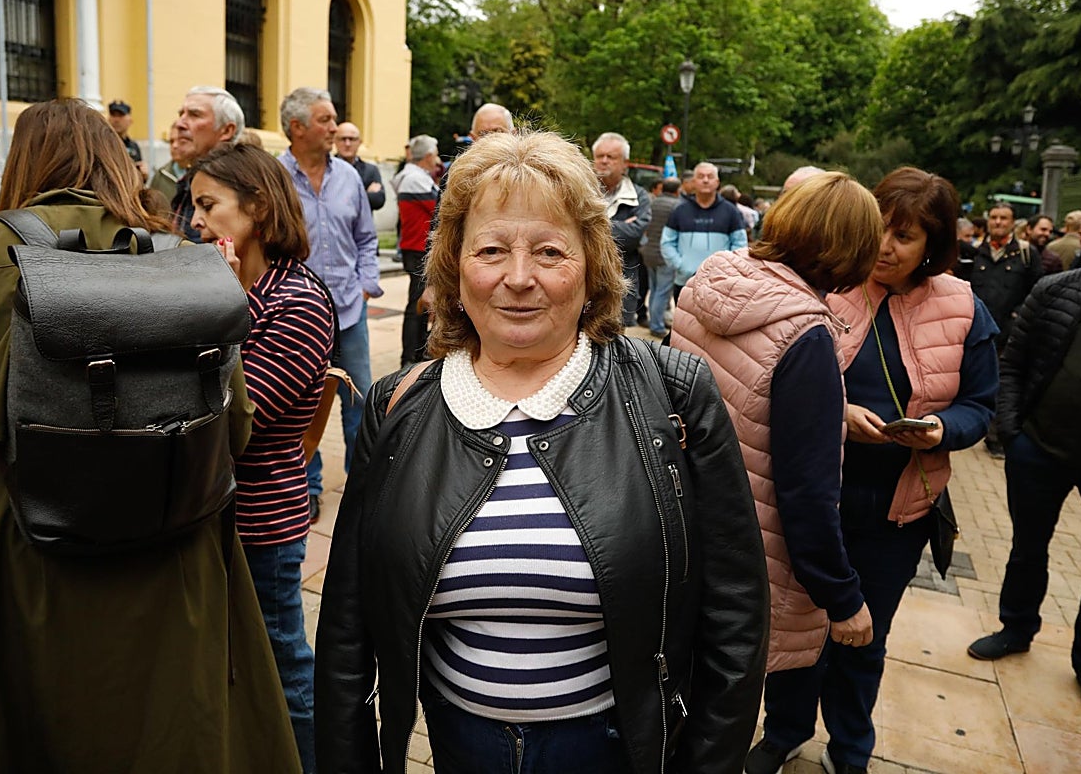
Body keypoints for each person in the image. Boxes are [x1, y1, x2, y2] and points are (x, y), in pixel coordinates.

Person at [314, 130, 769, 774]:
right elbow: (348, 626)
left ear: (591, 267)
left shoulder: (673, 394)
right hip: (460, 748)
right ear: (454, 265)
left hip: (616, 750)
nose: (519, 278)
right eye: (491, 250)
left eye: (550, 251)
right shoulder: (398, 406)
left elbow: (735, 619)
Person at [0, 99, 300, 772]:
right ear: (115, 163)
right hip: (173, 545)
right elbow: (234, 430)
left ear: (23, 163)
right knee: (175, 731)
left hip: (25, 548)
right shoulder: (185, 258)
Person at [740, 167, 1000, 774]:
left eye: (904, 237)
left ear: (933, 245)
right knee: (797, 629)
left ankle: (850, 746)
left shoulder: (963, 307)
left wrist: (940, 429)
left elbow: (981, 405)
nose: (884, 247)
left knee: (863, 634)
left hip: (896, 509)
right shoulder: (828, 284)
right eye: (879, 228)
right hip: (810, 502)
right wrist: (838, 413)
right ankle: (784, 731)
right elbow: (775, 377)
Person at [668, 172, 882, 772]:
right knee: (716, 732)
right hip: (749, 560)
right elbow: (808, 495)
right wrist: (843, 598)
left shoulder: (713, 279)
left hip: (684, 529)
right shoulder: (805, 335)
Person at [188, 142, 335, 772]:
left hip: (261, 521)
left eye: (208, 204)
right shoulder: (223, 286)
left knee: (282, 665)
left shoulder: (298, 301)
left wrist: (217, 307)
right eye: (193, 206)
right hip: (204, 512)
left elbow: (235, 417)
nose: (195, 220)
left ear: (258, 207)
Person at [967, 200, 1081, 723]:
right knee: (1027, 549)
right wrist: (1012, 432)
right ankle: (1015, 628)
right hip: (1039, 450)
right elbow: (1013, 363)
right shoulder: (1054, 289)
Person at [278, 87, 383, 522]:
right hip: (298, 317)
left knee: (361, 401)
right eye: (325, 120)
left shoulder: (349, 177)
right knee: (302, 406)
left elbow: (366, 238)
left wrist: (366, 285)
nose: (335, 127)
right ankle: (309, 487)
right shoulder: (274, 178)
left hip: (349, 311)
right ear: (297, 127)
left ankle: (363, 488)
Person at [970, 204, 1041, 458]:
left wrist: (1019, 314)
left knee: (1000, 384)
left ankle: (995, 436)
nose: (998, 222)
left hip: (1008, 334)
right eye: (994, 217)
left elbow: (1037, 290)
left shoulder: (1026, 254)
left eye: (1004, 218)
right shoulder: (975, 251)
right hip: (974, 331)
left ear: (1013, 222)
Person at [660, 161, 748, 300]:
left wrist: (726, 270)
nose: (705, 180)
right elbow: (667, 242)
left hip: (720, 285)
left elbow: (740, 245)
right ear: (693, 182)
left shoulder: (731, 212)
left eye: (710, 176)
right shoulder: (679, 210)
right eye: (701, 176)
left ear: (717, 182)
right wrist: (681, 265)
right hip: (685, 282)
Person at [592, 131, 651, 326]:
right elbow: (572, 230)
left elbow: (635, 235)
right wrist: (621, 226)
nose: (604, 161)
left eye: (611, 157)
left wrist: (593, 227)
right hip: (586, 281)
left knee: (616, 335)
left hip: (622, 282)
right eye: (600, 156)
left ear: (625, 163)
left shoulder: (639, 196)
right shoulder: (581, 190)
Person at [171, 85, 244, 241]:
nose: (179, 124)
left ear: (226, 130)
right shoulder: (186, 183)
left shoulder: (241, 186)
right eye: (181, 114)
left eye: (194, 115)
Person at [396, 134, 440, 365]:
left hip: (415, 247)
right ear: (429, 156)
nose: (438, 160)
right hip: (418, 248)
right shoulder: (415, 178)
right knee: (417, 304)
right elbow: (441, 207)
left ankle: (415, 353)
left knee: (419, 303)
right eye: (436, 154)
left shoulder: (412, 176)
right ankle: (410, 357)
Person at [640, 176, 681, 337]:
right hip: (664, 254)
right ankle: (657, 326)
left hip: (649, 252)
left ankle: (655, 321)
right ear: (677, 190)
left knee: (654, 289)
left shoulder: (653, 202)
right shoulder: (677, 206)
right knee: (662, 292)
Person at [334, 121, 386, 211]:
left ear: (359, 142)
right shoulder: (325, 168)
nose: (347, 144)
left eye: (352, 139)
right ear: (335, 141)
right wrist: (365, 195)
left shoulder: (370, 170)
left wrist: (342, 197)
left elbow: (378, 201)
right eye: (343, 139)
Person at [107, 99, 149, 183]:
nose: (116, 120)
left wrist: (143, 176)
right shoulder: (103, 144)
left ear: (130, 120)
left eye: (121, 115)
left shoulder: (133, 146)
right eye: (113, 115)